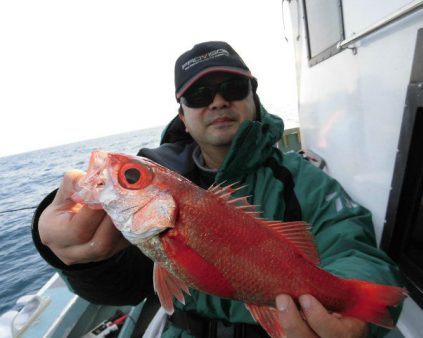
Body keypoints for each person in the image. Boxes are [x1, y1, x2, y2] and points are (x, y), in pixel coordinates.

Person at [32, 41, 403, 338]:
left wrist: (356, 303)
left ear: (253, 99)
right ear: (183, 117)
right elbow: (122, 288)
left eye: (233, 87)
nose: (218, 101)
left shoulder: (303, 179)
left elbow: (353, 248)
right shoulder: (163, 192)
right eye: (199, 95)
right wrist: (74, 256)